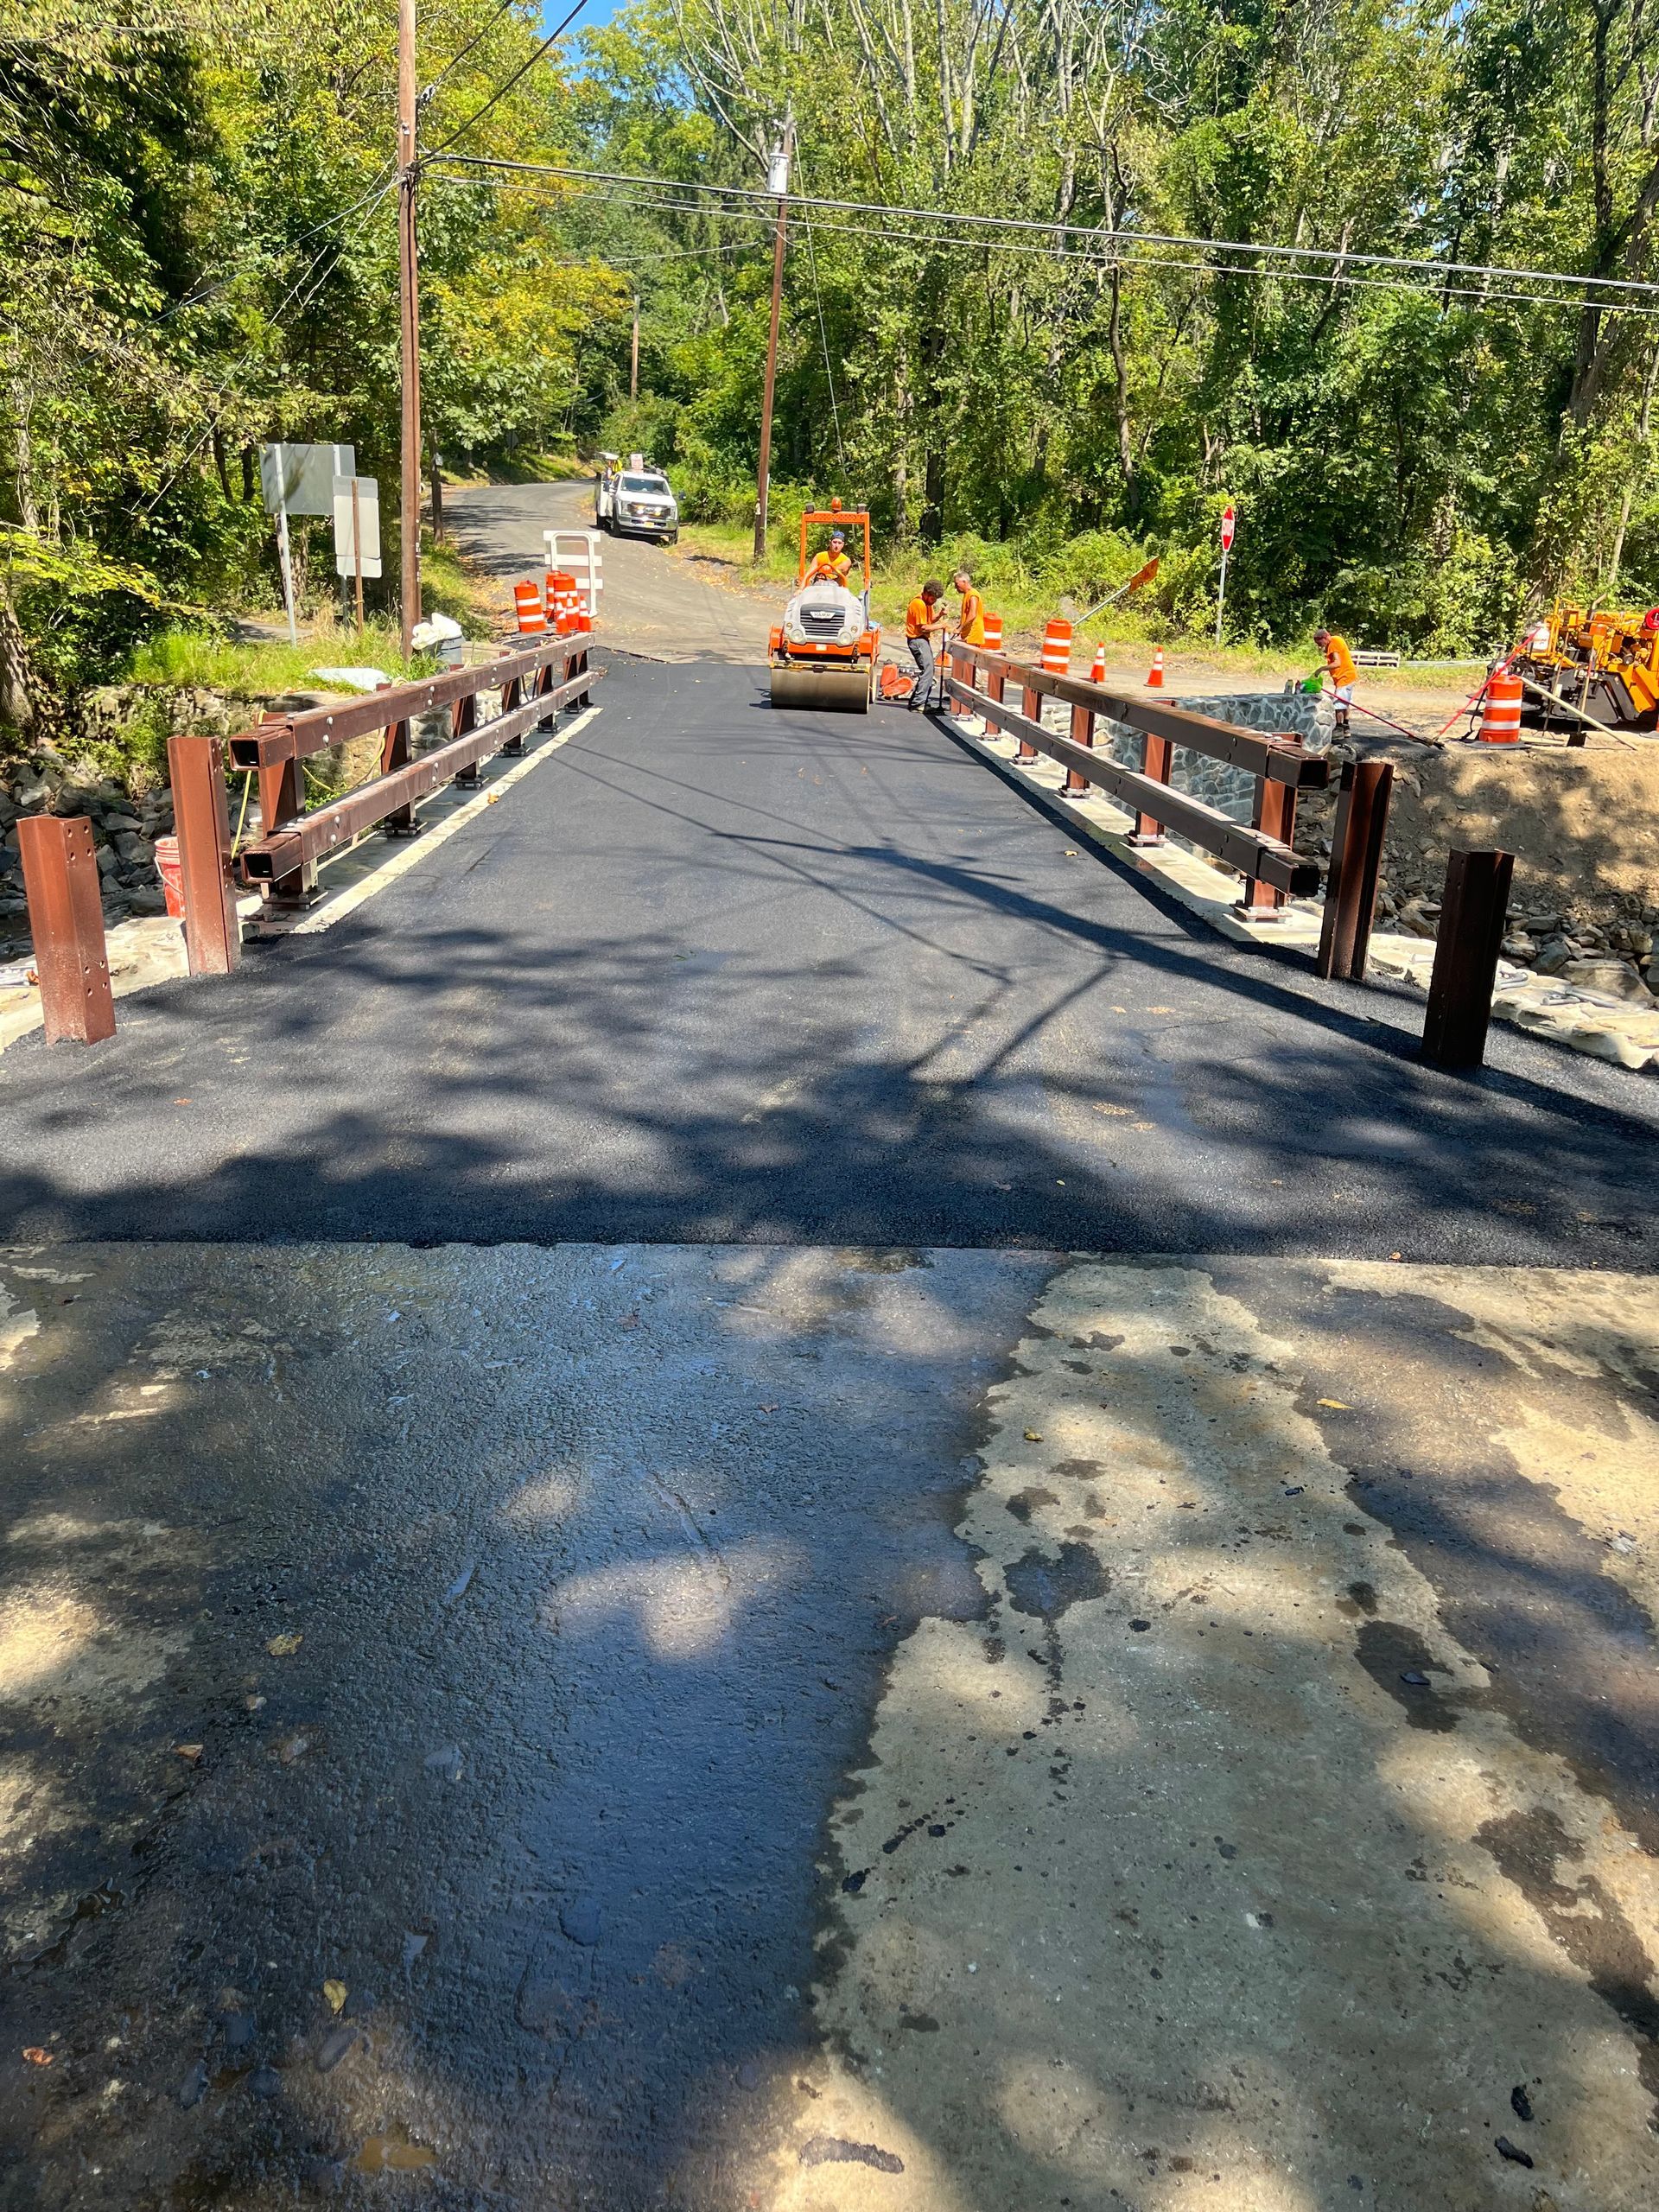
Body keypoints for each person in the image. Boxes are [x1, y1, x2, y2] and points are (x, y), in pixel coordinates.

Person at [906, 580, 947, 712]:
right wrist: (941, 626)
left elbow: (928, 621)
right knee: (928, 670)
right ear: (927, 593)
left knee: (929, 670)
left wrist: (939, 615)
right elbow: (923, 628)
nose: (934, 601)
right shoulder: (918, 604)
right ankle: (918, 703)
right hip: (917, 640)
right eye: (933, 598)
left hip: (922, 639)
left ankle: (917, 700)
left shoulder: (926, 603)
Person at [1315, 627, 1358, 734]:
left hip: (1344, 676)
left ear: (1324, 638)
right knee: (1345, 702)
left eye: (1319, 642)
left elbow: (1337, 663)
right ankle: (1346, 726)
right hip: (1349, 675)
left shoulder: (1333, 643)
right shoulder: (1336, 640)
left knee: (1338, 704)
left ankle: (1339, 728)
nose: (1319, 645)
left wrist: (1321, 669)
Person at [954, 569, 985, 647]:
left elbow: (972, 615)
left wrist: (960, 628)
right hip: (967, 634)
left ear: (964, 582)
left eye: (957, 584)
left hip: (973, 634)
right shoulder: (967, 595)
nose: (956, 587)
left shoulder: (973, 594)